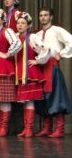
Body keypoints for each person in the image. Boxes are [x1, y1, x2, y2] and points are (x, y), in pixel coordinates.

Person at [34, 7, 72, 138]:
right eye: (41, 15)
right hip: (40, 68)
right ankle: (47, 128)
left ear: (51, 17)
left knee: (56, 96)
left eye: (45, 15)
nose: (43, 17)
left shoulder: (57, 30)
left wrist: (60, 54)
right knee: (43, 96)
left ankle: (60, 129)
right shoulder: (37, 35)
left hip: (52, 67)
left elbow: (70, 41)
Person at [0, 8, 22, 137]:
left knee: (5, 99)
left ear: (3, 19)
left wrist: (7, 54)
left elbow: (17, 43)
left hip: (4, 69)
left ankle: (4, 127)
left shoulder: (7, 31)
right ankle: (1, 126)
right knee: (0, 99)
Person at [15, 11, 50, 137]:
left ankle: (29, 128)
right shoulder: (15, 37)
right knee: (25, 101)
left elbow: (45, 48)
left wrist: (38, 60)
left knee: (29, 101)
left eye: (23, 23)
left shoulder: (32, 37)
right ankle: (26, 128)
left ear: (28, 25)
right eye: (18, 23)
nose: (20, 25)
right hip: (20, 73)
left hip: (30, 72)